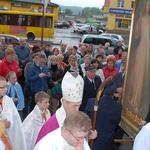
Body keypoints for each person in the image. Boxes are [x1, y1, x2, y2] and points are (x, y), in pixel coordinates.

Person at [35, 72, 97, 144]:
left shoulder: (77, 120)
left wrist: (88, 135)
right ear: (64, 102)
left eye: (79, 106)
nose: (77, 110)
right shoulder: (52, 126)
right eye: (75, 106)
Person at [125, 0, 150, 113]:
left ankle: (137, 100)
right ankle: (133, 99)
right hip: (142, 47)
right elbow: (136, 34)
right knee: (136, 72)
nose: (148, 6)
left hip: (147, 48)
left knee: (143, 74)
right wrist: (139, 19)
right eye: (148, 3)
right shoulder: (143, 18)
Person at [0, 76, 27, 150]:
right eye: (2, 87)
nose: (5, 89)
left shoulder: (8, 100)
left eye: (6, 86)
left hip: (9, 134)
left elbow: (11, 121)